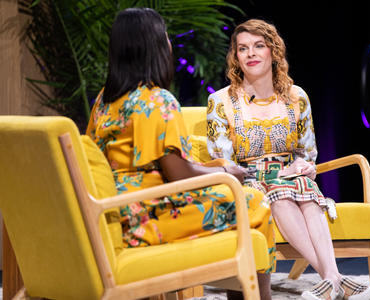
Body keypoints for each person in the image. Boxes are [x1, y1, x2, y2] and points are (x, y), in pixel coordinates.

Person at [86, 8, 275, 300]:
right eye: (165, 37)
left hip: (113, 214)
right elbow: (178, 175)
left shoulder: (104, 101)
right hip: (146, 217)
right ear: (155, 46)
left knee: (234, 196)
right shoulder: (158, 101)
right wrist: (226, 172)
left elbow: (151, 165)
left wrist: (212, 166)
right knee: (253, 202)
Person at [207, 19, 370, 300]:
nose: (250, 53)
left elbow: (307, 151)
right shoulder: (221, 101)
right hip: (246, 181)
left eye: (258, 46)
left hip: (290, 176)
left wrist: (304, 166)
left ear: (273, 52)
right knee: (282, 193)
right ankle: (335, 279)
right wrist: (265, 174)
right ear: (235, 57)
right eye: (243, 48)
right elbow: (222, 161)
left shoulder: (297, 97)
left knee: (304, 189)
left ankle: (330, 281)